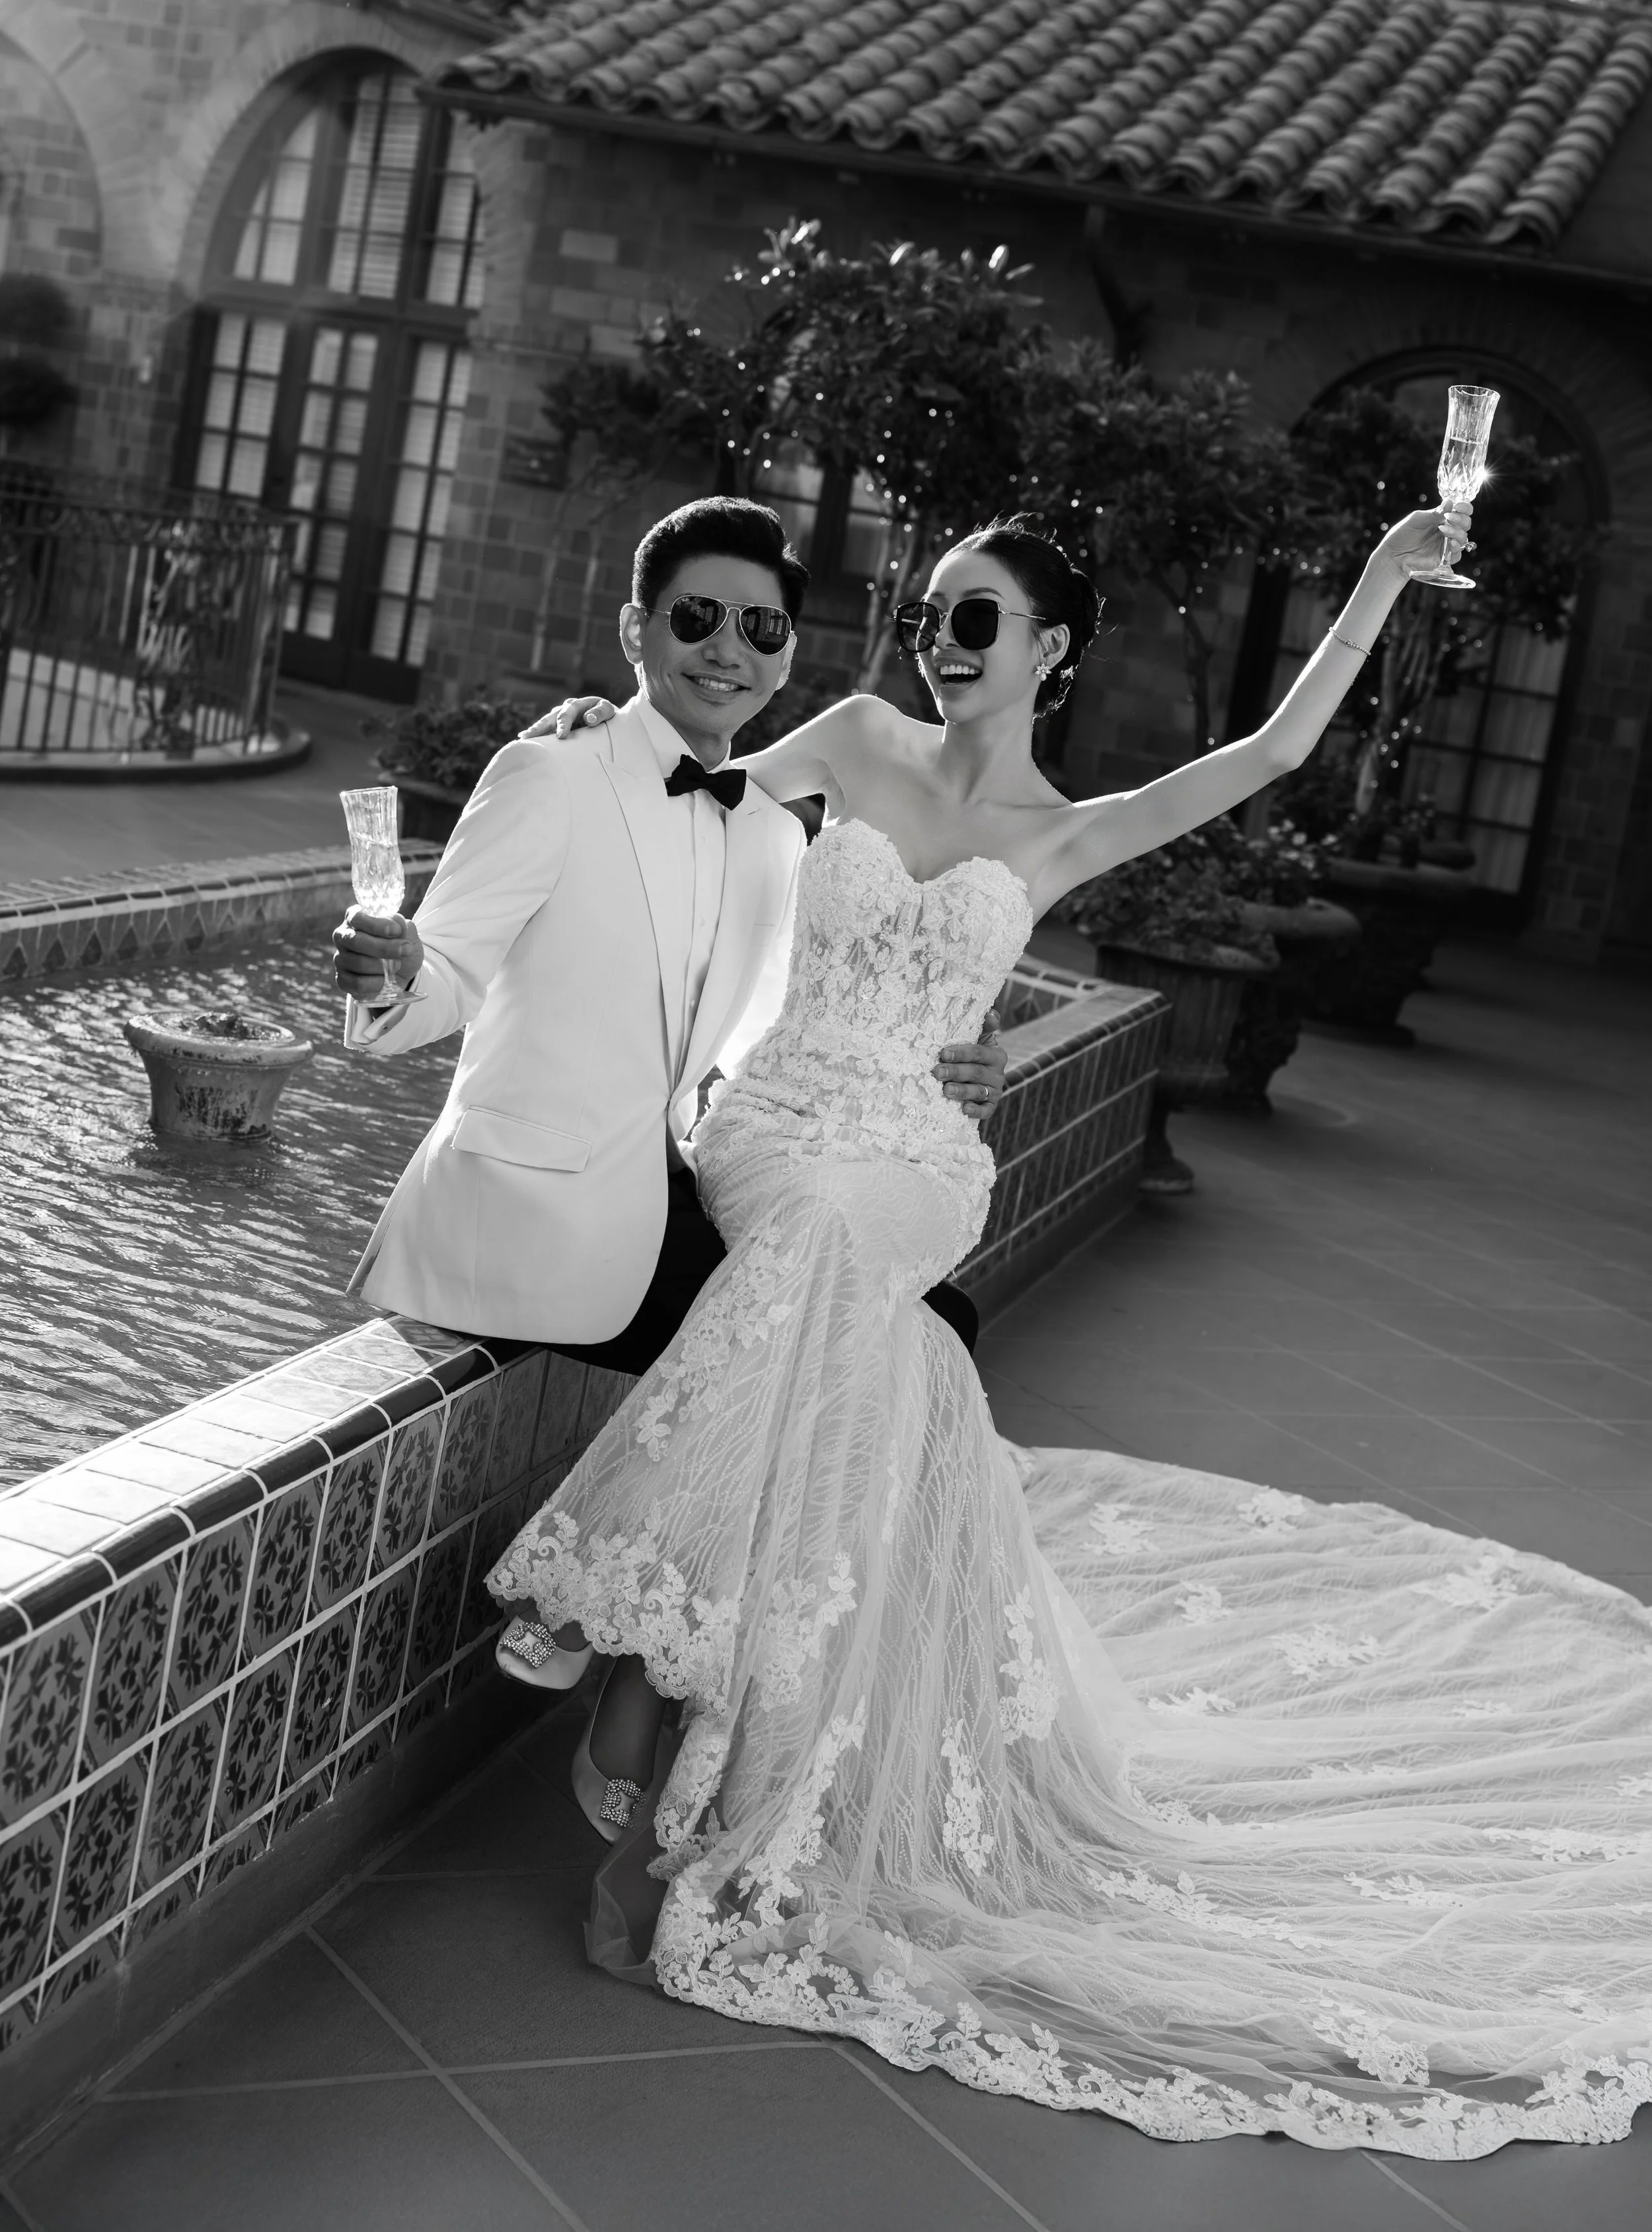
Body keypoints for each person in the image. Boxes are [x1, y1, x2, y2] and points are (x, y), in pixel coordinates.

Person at [489, 493, 1652, 2160]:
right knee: (833, 1304)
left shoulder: (1063, 828)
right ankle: (674, 1728)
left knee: (837, 1258)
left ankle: (650, 1679)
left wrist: (1381, 588)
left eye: (980, 622)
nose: (942, 644)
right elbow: (678, 800)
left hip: (912, 1155)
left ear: (1048, 653)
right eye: (934, 613)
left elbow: (1260, 757)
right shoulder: (851, 736)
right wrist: (581, 733)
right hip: (778, 1119)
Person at [332, 497, 1006, 1695]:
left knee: (938, 1318)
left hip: (660, 1195)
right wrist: (389, 975)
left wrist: (956, 1050)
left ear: (790, 654)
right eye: (698, 616)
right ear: (638, 628)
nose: (728, 647)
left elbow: (800, 1041)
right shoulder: (551, 773)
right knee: (874, 1336)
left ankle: (737, 1679)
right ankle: (636, 1643)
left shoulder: (771, 840)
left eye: (761, 626)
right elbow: (442, 977)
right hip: (527, 1210)